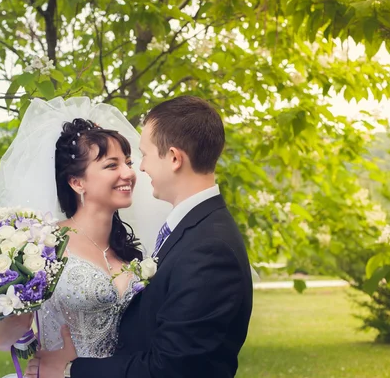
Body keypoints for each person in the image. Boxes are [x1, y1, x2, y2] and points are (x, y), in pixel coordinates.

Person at [26, 95, 254, 378]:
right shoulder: (192, 231)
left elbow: (172, 368)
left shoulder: (209, 249)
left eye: (141, 156)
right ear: (76, 182)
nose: (139, 169)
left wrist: (70, 369)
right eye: (113, 164)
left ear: (173, 158)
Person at [0, 97, 170, 378]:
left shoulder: (132, 249)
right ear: (77, 182)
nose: (128, 173)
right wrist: (19, 308)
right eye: (112, 165)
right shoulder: (43, 245)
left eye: (129, 162)